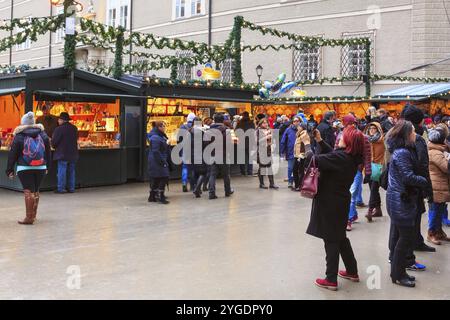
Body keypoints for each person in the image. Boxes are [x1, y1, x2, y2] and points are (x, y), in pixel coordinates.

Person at [301, 126, 364, 291]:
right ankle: (352, 271)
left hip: (329, 202)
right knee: (340, 237)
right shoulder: (351, 157)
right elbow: (333, 156)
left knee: (331, 240)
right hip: (339, 201)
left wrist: (307, 144)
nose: (340, 137)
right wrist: (320, 141)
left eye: (343, 136)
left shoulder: (341, 158)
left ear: (349, 141)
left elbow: (313, 160)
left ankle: (331, 279)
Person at [386, 120, 428, 288]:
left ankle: (398, 272)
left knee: (400, 238)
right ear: (405, 135)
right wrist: (424, 181)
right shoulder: (402, 152)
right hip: (401, 201)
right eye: (412, 132)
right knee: (404, 239)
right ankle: (398, 274)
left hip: (400, 199)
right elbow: (407, 176)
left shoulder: (401, 151)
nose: (415, 134)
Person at [400, 105, 436, 255]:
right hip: (414, 184)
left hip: (401, 184)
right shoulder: (417, 138)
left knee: (408, 218)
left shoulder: (397, 134)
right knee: (413, 216)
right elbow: (422, 164)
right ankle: (409, 252)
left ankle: (416, 242)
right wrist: (428, 188)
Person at [5, 112, 51, 225]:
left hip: (24, 167)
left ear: (23, 123)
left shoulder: (19, 136)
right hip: (41, 166)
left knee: (28, 191)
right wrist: (47, 166)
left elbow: (13, 154)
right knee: (35, 190)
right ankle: (33, 216)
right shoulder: (43, 134)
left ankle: (28, 218)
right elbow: (48, 153)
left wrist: (9, 169)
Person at [426, 126, 450, 244]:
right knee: (435, 211)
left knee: (439, 210)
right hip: (436, 186)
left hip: (439, 185)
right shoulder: (435, 153)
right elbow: (446, 168)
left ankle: (439, 232)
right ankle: (431, 233)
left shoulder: (439, 151)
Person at [206, 113, 233, 200]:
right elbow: (229, 144)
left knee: (212, 175)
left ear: (214, 120)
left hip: (212, 154)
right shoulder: (227, 130)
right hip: (223, 155)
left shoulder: (209, 131)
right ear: (223, 120)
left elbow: (205, 143)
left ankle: (211, 193)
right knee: (226, 175)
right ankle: (227, 191)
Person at [52, 112, 79, 194]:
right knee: (71, 171)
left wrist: (53, 145)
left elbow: (54, 142)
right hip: (73, 153)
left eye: (59, 120)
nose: (58, 121)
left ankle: (61, 188)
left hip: (62, 153)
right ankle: (71, 188)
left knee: (62, 170)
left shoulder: (58, 129)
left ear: (62, 120)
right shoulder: (74, 128)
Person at [364, 122, 386, 222]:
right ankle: (378, 210)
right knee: (373, 189)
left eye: (374, 128)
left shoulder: (382, 140)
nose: (372, 130)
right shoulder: (366, 140)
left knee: (373, 189)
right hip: (368, 167)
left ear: (378, 129)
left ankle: (370, 210)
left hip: (378, 167)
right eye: (370, 128)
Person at [147, 121, 170, 204]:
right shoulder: (156, 137)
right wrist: (162, 162)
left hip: (156, 160)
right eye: (163, 126)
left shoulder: (158, 136)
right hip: (157, 161)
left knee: (156, 178)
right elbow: (156, 151)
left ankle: (152, 196)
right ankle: (160, 196)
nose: (164, 128)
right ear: (159, 127)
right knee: (164, 177)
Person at [256, 118, 279, 190]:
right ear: (260, 124)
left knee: (269, 168)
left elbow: (270, 141)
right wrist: (266, 137)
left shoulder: (268, 130)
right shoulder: (258, 131)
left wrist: (271, 141)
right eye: (264, 123)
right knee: (262, 167)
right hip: (261, 151)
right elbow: (256, 142)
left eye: (266, 123)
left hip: (268, 151)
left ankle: (272, 184)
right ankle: (261, 183)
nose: (265, 124)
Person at [178, 112, 196, 193]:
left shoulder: (182, 127)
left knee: (185, 167)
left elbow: (179, 140)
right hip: (194, 151)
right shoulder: (196, 127)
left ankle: (184, 183)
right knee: (192, 168)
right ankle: (192, 185)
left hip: (184, 150)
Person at [190, 118, 208, 198]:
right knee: (203, 172)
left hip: (192, 154)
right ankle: (197, 189)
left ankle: (195, 187)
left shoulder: (189, 131)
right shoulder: (202, 132)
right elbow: (205, 143)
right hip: (200, 153)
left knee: (195, 171)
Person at [280, 117, 300, 188]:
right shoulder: (288, 130)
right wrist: (282, 152)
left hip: (300, 153)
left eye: (298, 121)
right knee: (290, 168)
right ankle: (290, 182)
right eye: (295, 121)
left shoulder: (302, 130)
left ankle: (298, 182)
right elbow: (283, 141)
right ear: (292, 122)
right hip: (290, 152)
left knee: (299, 168)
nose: (296, 122)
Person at [236, 111, 255, 176]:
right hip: (250, 142)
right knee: (250, 157)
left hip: (241, 142)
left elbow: (236, 132)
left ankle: (243, 171)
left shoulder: (239, 123)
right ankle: (250, 171)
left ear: (243, 115)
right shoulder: (251, 123)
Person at [292, 123, 308, 191]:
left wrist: (301, 155)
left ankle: (299, 186)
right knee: (296, 170)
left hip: (301, 157)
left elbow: (306, 145)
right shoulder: (299, 134)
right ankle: (297, 186)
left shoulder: (304, 135)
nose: (298, 127)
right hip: (297, 156)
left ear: (302, 127)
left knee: (299, 171)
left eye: (299, 126)